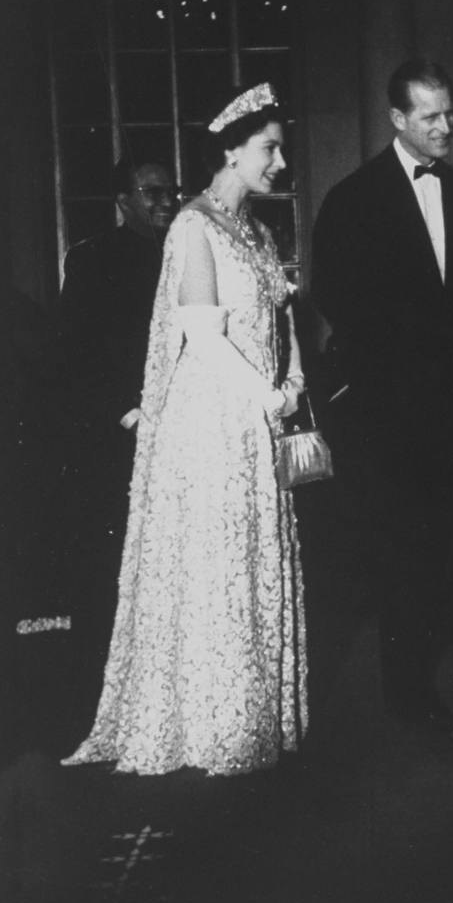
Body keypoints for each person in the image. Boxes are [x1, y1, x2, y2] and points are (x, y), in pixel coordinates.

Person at [63, 82, 308, 775]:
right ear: (230, 151)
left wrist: (292, 382)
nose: (280, 162)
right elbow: (201, 335)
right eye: (269, 148)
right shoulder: (194, 225)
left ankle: (251, 719)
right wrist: (266, 395)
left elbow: (279, 319)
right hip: (212, 424)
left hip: (258, 419)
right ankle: (206, 728)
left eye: (281, 148)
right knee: (216, 569)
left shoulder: (257, 232)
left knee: (251, 563)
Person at [312, 60, 453, 725]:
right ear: (397, 120)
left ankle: (413, 681)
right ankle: (401, 692)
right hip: (382, 407)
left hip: (442, 404)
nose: (445, 126)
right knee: (394, 546)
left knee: (435, 543)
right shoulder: (352, 197)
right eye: (430, 116)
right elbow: (333, 294)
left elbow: (448, 304)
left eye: (449, 112)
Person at [56, 157, 176, 664]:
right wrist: (128, 414)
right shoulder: (91, 259)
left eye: (170, 190)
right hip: (121, 432)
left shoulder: (185, 249)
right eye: (152, 193)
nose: (166, 201)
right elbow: (75, 355)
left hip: (182, 424)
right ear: (123, 201)